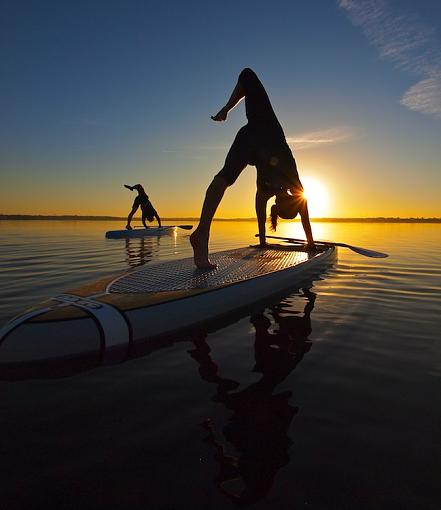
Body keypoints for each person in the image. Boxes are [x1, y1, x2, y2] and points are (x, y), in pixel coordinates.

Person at [190, 68, 315, 269]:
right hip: (266, 129)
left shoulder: (267, 191)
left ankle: (203, 231)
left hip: (251, 137)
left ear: (279, 204)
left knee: (224, 177)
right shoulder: (286, 182)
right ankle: (202, 232)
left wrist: (264, 242)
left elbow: (263, 212)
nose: (288, 197)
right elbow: (304, 210)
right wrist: (309, 242)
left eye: (285, 203)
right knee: (247, 76)